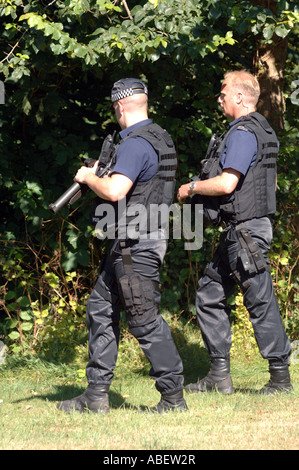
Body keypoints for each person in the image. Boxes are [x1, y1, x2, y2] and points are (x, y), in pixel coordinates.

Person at [57, 78, 187, 414]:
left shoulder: (134, 144)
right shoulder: (160, 137)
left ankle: (173, 399)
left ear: (119, 106)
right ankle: (96, 396)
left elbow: (115, 191)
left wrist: (88, 178)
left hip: (137, 245)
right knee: (101, 308)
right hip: (133, 241)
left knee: (143, 319)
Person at [177, 70, 292, 395]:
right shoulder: (263, 129)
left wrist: (191, 187)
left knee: (259, 301)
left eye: (224, 91)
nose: (220, 97)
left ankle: (280, 379)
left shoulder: (243, 133)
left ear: (240, 97)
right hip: (240, 231)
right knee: (209, 294)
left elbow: (228, 182)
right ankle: (219, 376)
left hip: (246, 234)